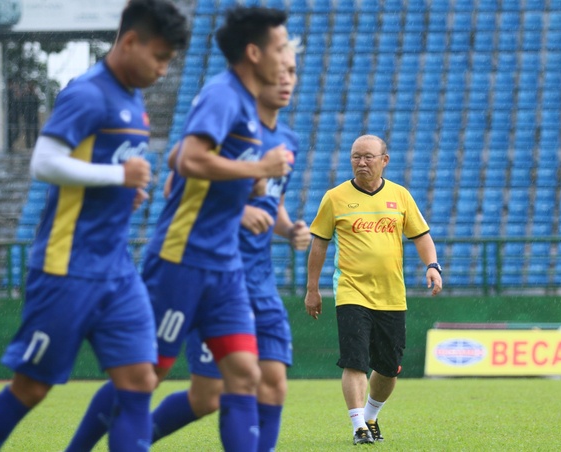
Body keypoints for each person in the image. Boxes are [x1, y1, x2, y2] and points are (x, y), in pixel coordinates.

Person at [66, 6, 290, 452]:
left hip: (225, 267)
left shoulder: (248, 107)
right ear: (253, 53)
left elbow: (182, 161)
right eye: (281, 48)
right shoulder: (223, 95)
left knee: (245, 374)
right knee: (146, 374)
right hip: (181, 259)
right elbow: (186, 159)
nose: (286, 60)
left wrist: (248, 178)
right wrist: (254, 168)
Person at [0, 2, 188, 451]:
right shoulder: (87, 93)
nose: (164, 70)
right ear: (130, 42)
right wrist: (118, 177)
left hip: (117, 271)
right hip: (65, 268)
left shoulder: (133, 97)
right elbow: (45, 162)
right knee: (31, 388)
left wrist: (125, 194)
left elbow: (99, 168)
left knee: (139, 381)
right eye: (160, 57)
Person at [151, 38, 309, 452]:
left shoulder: (287, 142)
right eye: (280, 70)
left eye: (292, 73)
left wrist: (290, 229)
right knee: (207, 396)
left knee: (273, 383)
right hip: (214, 272)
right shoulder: (229, 121)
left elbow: (269, 200)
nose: (285, 79)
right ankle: (133, 436)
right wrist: (237, 213)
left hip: (259, 280)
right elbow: (176, 182)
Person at [304, 135, 443, 446]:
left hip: (392, 295)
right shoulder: (335, 198)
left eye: (368, 157)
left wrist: (433, 265)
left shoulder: (400, 196)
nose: (361, 162)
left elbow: (421, 236)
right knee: (355, 360)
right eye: (356, 157)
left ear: (384, 160)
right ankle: (357, 426)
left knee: (388, 367)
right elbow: (318, 246)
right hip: (351, 291)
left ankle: (370, 416)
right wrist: (312, 289)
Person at [21, 81, 41, 149]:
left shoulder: (34, 96)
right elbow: (22, 105)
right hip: (27, 116)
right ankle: (28, 146)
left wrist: (35, 94)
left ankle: (35, 145)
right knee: (28, 132)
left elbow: (37, 104)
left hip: (34, 116)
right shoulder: (25, 95)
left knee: (35, 131)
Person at [7, 79, 22, 150]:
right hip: (9, 116)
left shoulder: (14, 93)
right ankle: (9, 145)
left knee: (17, 132)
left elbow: (19, 104)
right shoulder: (8, 93)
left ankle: (10, 144)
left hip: (15, 115)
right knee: (9, 131)